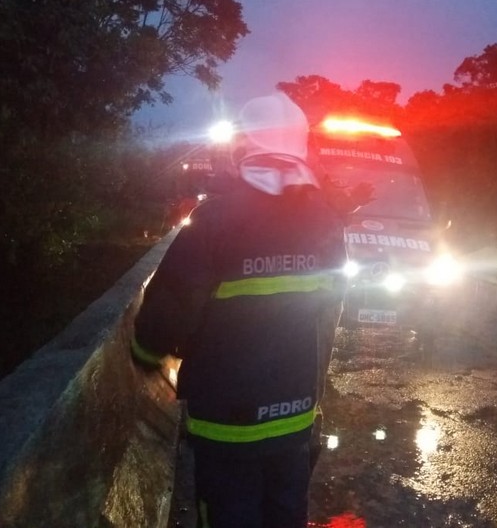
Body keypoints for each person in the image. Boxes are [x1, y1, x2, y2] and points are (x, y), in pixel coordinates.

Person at [131, 93, 347, 528]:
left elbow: (168, 309)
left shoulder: (213, 221)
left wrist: (145, 354)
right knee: (286, 514)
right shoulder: (325, 221)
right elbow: (328, 308)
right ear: (301, 149)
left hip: (225, 424)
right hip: (295, 418)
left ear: (241, 150)